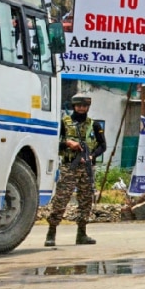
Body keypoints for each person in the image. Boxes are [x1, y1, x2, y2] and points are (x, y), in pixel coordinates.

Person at [44, 94, 106, 246]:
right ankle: (51, 233)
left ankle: (82, 233)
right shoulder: (64, 123)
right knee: (61, 199)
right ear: (74, 106)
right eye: (79, 106)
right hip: (69, 167)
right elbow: (53, 142)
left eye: (84, 106)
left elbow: (102, 145)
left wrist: (91, 156)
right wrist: (67, 143)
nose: (81, 108)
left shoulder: (94, 125)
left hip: (86, 167)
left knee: (86, 200)